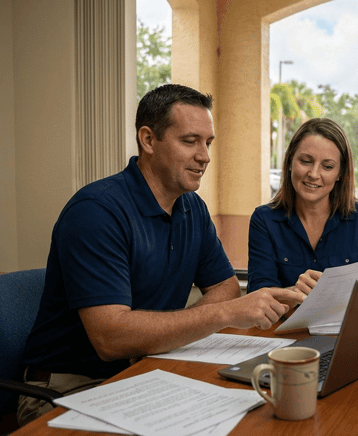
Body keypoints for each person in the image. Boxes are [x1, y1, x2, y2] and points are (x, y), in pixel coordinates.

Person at [18, 84, 304, 426]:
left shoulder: (192, 208)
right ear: (148, 140)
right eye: (190, 141)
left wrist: (166, 334)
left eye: (208, 143)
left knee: (253, 416)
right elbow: (111, 338)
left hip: (145, 368)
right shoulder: (96, 212)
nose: (205, 156)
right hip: (68, 388)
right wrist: (222, 314)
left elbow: (225, 287)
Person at [247, 117, 358, 298]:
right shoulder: (264, 220)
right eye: (306, 161)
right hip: (288, 318)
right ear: (290, 162)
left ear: (340, 173)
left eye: (327, 166)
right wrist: (294, 293)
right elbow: (258, 297)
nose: (314, 174)